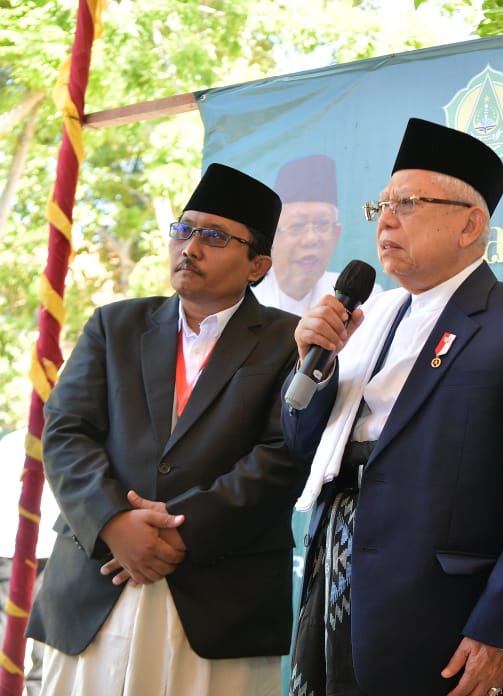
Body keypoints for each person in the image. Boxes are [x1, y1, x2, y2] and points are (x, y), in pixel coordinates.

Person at [283, 117, 503, 696]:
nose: (386, 220)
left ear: (470, 224)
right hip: (334, 582)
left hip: (439, 612)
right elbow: (301, 445)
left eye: (407, 203)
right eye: (381, 207)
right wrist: (315, 365)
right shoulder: (368, 319)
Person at [26, 163, 309, 695]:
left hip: (219, 597)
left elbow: (284, 454)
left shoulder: (289, 340)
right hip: (97, 581)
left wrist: (181, 531)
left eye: (215, 236)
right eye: (183, 230)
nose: (190, 248)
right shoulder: (115, 325)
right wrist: (113, 522)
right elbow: (65, 431)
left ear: (258, 265)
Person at [1, 428, 60, 696]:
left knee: (40, 626)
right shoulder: (14, 442)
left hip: (44, 549)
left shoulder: (59, 439)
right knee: (12, 622)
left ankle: (36, 686)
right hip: (12, 549)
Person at [253, 154, 346, 314]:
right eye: (297, 225)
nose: (311, 239)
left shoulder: (360, 302)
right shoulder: (242, 296)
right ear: (273, 235)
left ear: (336, 235)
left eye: (323, 224)